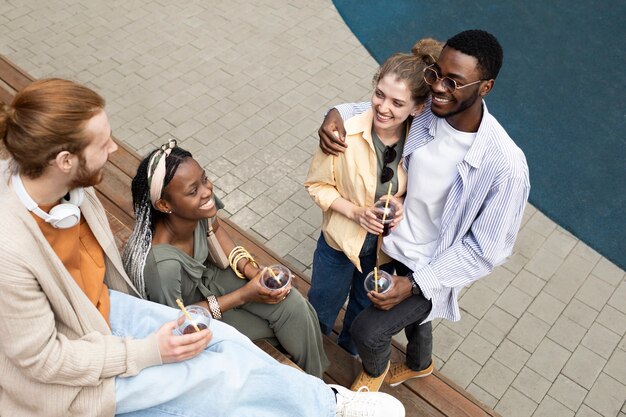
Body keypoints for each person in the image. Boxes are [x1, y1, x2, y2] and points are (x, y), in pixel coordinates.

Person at [0, 78, 406, 416]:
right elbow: (44, 361)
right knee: (217, 382)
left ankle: (326, 401)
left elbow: (215, 231)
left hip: (99, 310)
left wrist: (247, 270)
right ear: (66, 160)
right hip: (68, 373)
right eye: (103, 144)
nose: (115, 150)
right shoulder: (11, 254)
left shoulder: (67, 188)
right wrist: (147, 352)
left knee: (228, 344)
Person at [318, 29, 530, 391]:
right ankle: (420, 363)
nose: (438, 87)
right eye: (435, 74)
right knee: (411, 319)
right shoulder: (430, 113)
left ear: (485, 87)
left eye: (453, 81)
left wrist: (416, 284)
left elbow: (487, 251)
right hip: (390, 246)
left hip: (429, 266)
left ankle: (372, 377)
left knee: (368, 330)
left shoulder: (506, 167)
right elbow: (381, 111)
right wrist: (334, 114)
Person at [122, 141, 329, 377]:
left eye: (204, 178)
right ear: (164, 204)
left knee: (294, 305)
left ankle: (316, 378)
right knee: (285, 329)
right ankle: (312, 385)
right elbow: (179, 320)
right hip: (198, 313)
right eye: (193, 190)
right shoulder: (161, 266)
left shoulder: (197, 207)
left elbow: (216, 228)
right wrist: (244, 295)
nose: (206, 190)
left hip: (214, 275)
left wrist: (250, 269)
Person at [304, 38, 443, 356]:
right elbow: (317, 186)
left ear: (417, 108)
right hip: (338, 246)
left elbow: (425, 193)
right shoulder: (344, 134)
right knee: (320, 310)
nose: (383, 107)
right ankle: (309, 354)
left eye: (397, 103)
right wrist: (354, 213)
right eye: (379, 95)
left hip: (383, 254)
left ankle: (348, 357)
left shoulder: (422, 145)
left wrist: (401, 202)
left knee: (362, 316)